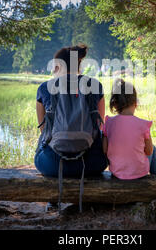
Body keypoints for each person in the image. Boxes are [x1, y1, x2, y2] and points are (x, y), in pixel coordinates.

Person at [34, 44, 108, 177]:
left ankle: (54, 198)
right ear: (78, 65)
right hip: (91, 163)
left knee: (41, 147)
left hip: (53, 165)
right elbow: (99, 126)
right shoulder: (96, 85)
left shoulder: (45, 88)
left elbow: (44, 130)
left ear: (58, 66)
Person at [102, 79, 156, 179]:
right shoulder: (143, 125)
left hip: (117, 173)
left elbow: (105, 150)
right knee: (154, 148)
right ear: (135, 103)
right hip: (139, 173)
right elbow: (149, 151)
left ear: (115, 104)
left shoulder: (109, 123)